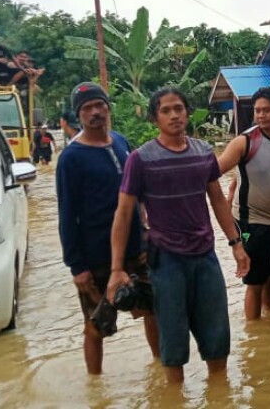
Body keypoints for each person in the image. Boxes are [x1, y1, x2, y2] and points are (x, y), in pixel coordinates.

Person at [108, 87, 250, 383]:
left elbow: (218, 200)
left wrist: (236, 244)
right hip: (167, 263)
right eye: (165, 110)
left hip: (205, 258)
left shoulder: (203, 153)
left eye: (179, 108)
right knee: (172, 345)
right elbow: (123, 214)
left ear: (187, 112)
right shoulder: (141, 159)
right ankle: (175, 396)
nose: (174, 115)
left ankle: (219, 396)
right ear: (154, 118)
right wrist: (117, 268)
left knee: (217, 339)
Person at [56, 81, 159, 374]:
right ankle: (95, 385)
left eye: (99, 105)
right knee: (97, 324)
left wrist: (146, 225)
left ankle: (161, 368)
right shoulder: (71, 158)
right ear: (79, 115)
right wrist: (77, 267)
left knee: (153, 310)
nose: (95, 112)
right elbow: (66, 215)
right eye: (87, 108)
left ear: (107, 107)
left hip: (136, 249)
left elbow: (137, 192)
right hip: (96, 256)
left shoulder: (120, 141)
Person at [216, 86, 270, 320]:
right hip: (249, 222)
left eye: (267, 110)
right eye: (257, 111)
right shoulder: (244, 142)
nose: (261, 115)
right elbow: (215, 171)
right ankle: (254, 331)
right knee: (254, 283)